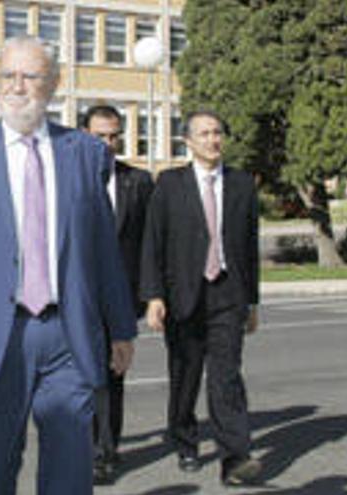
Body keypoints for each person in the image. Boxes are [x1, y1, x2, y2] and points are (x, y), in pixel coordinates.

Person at [0, 35, 137, 495]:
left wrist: (121, 327)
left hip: (68, 334)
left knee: (69, 468)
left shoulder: (85, 154)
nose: (17, 87)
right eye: (8, 75)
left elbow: (102, 250)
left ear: (54, 84)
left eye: (30, 76)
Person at [140, 110, 261, 487]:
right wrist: (154, 296)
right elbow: (153, 242)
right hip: (183, 296)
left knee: (226, 377)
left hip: (228, 293)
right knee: (186, 377)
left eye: (217, 133)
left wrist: (253, 301)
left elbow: (250, 246)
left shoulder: (241, 184)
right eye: (204, 134)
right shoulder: (170, 183)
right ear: (188, 142)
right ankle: (185, 438)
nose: (213, 140)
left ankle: (235, 458)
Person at [81, 105, 154, 484]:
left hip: (120, 296)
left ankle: (105, 452)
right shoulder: (68, 180)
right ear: (84, 136)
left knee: (113, 375)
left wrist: (153, 295)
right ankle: (84, 447)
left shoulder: (138, 183)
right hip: (76, 297)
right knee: (80, 377)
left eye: (114, 136)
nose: (109, 144)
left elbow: (150, 243)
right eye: (100, 136)